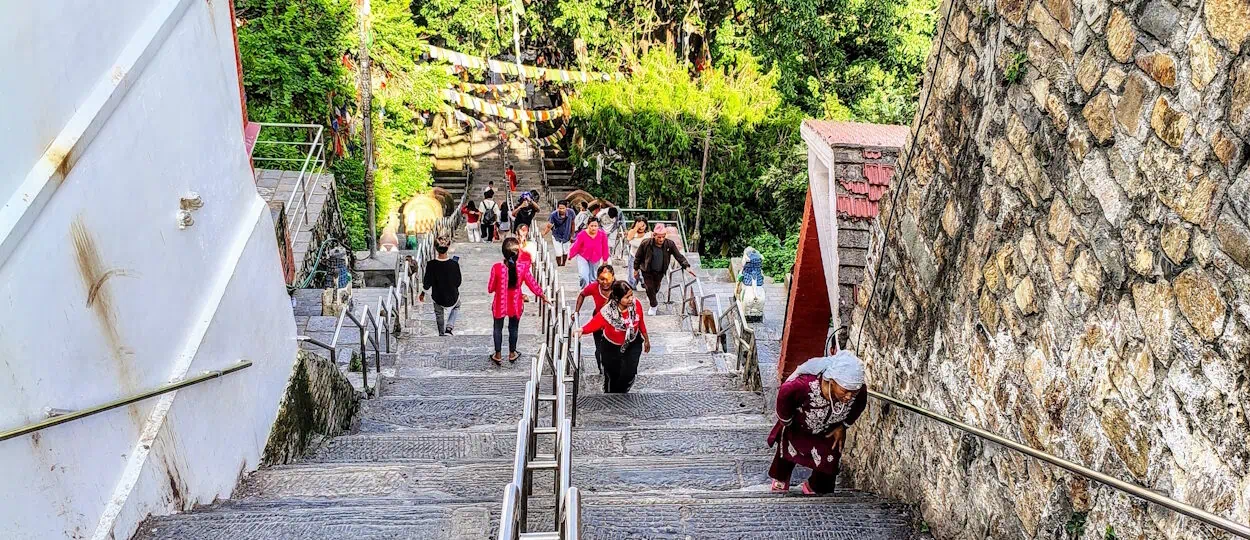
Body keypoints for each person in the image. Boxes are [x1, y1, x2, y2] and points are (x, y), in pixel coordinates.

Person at [767, 351, 868, 494]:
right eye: (845, 391)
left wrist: (843, 426)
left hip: (829, 431)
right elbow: (785, 394)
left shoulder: (858, 392)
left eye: (853, 392)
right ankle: (781, 479)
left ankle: (815, 487)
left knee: (829, 461)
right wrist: (787, 421)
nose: (849, 396)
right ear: (832, 381)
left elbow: (860, 404)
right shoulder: (804, 385)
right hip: (799, 426)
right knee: (787, 452)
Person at [576, 281, 650, 393]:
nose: (631, 299)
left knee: (629, 373)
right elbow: (596, 322)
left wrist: (646, 340)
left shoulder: (636, 304)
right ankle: (611, 394)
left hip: (632, 343)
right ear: (617, 298)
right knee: (612, 374)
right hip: (611, 347)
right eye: (627, 297)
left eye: (631, 295)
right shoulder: (608, 311)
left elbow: (640, 323)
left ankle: (621, 391)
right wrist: (582, 330)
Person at [487, 238, 548, 364]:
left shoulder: (497, 268)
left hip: (499, 304)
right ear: (518, 253)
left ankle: (498, 354)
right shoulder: (523, 267)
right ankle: (512, 353)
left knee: (497, 328)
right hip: (515, 304)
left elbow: (490, 288)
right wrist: (542, 295)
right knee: (513, 328)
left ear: (503, 252)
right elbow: (532, 284)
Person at [633, 224, 695, 315]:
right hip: (647, 270)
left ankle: (651, 296)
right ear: (654, 235)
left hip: (660, 271)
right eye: (659, 237)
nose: (661, 239)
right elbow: (638, 257)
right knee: (649, 287)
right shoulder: (645, 243)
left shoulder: (669, 244)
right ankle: (653, 305)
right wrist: (635, 269)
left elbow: (678, 256)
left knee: (655, 288)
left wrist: (687, 267)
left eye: (663, 237)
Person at [575, 264, 616, 374]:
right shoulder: (594, 287)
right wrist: (576, 311)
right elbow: (582, 294)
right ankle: (601, 370)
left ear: (613, 277)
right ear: (597, 278)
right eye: (602, 279)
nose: (605, 282)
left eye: (608, 279)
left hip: (614, 325)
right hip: (598, 323)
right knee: (599, 350)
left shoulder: (619, 288)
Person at [418, 236, 462, 336]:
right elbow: (458, 282)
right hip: (452, 295)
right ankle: (449, 327)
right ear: (448, 246)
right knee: (457, 306)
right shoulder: (454, 264)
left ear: (435, 248)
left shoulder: (431, 264)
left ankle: (441, 333)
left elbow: (427, 282)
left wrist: (422, 294)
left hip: (438, 296)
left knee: (439, 313)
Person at [568, 217, 610, 288]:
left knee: (593, 277)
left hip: (595, 257)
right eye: (591, 226)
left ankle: (591, 290)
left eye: (595, 226)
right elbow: (576, 246)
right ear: (588, 225)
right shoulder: (582, 234)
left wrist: (605, 259)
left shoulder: (602, 234)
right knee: (583, 276)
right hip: (583, 256)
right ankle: (584, 289)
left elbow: (605, 247)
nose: (593, 228)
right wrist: (571, 255)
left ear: (598, 226)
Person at [544, 199, 576, 266]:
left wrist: (572, 235)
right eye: (560, 208)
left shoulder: (571, 212)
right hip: (557, 235)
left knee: (565, 251)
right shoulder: (553, 215)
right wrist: (544, 233)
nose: (561, 210)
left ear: (566, 207)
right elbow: (549, 226)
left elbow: (573, 224)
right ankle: (559, 265)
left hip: (567, 235)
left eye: (563, 208)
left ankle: (563, 264)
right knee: (558, 252)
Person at [624, 218, 650, 288]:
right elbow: (629, 238)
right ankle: (632, 286)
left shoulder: (648, 234)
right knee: (632, 276)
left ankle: (643, 282)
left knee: (644, 275)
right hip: (633, 257)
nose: (641, 227)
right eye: (639, 225)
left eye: (643, 225)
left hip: (644, 258)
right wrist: (636, 227)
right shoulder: (632, 232)